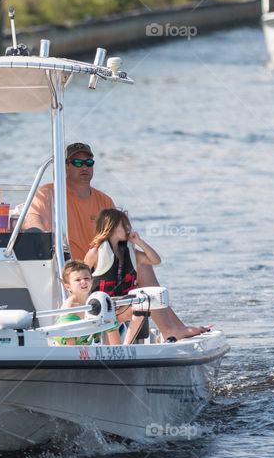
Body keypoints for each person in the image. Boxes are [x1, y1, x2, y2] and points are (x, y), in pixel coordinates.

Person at [25, 142, 210, 341]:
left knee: (142, 265)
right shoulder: (49, 194)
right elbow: (31, 220)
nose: (85, 167)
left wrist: (135, 247)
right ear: (66, 167)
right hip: (76, 270)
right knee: (139, 268)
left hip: (104, 268)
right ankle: (170, 328)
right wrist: (44, 236)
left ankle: (172, 328)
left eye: (89, 162)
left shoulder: (104, 200)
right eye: (77, 162)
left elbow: (121, 242)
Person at [83, 208, 160, 345]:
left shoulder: (130, 251)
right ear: (111, 227)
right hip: (100, 308)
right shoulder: (95, 253)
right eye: (123, 225)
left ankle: (126, 347)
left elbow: (155, 260)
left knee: (143, 305)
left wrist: (139, 242)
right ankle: (112, 345)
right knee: (109, 317)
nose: (128, 228)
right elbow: (82, 279)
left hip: (120, 305)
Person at [53, 260, 124, 346]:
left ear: (91, 281)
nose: (83, 281)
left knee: (117, 324)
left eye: (86, 278)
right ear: (68, 287)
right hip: (70, 354)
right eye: (78, 280)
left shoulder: (94, 302)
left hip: (86, 350)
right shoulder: (70, 308)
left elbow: (108, 329)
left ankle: (118, 355)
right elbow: (70, 347)